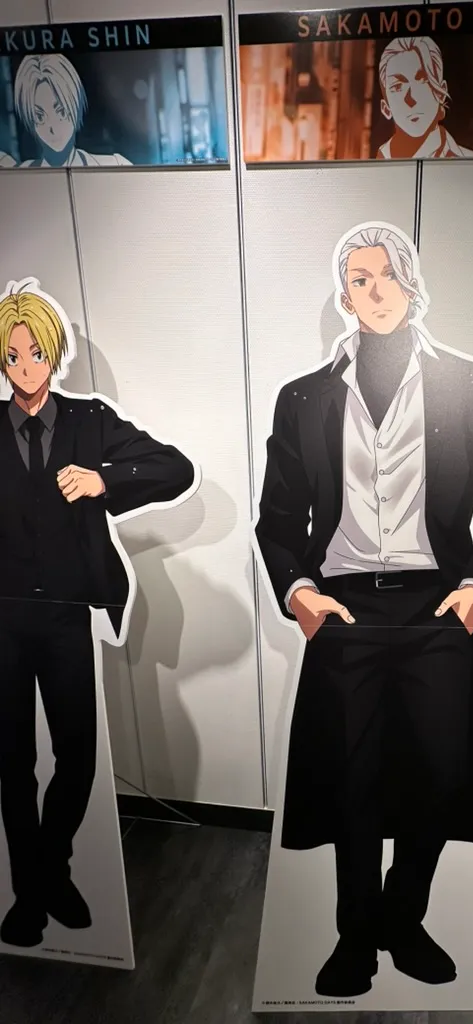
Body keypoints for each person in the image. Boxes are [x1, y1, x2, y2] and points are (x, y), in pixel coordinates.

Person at [255, 222, 473, 997]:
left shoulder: (472, 384)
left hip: (439, 609)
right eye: (359, 278)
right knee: (351, 781)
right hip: (344, 609)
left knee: (434, 777)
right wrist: (301, 594)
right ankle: (355, 935)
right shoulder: (304, 397)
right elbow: (277, 519)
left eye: (387, 274)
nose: (374, 290)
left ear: (412, 282)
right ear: (343, 294)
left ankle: (403, 920)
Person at [0, 282, 194, 948]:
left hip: (65, 620)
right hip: (2, 622)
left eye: (36, 353)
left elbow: (175, 468)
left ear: (55, 354)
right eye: (13, 356)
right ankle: (32, 894)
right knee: (11, 763)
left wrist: (104, 478)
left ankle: (48, 871)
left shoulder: (88, 421)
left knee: (77, 756)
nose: (26, 368)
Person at [13, 54, 131, 167]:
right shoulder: (20, 173)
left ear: (75, 104)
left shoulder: (116, 164)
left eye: (61, 112)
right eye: (40, 117)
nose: (53, 128)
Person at [376, 37, 473, 160]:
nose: (412, 98)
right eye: (398, 87)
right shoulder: (372, 164)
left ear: (441, 93)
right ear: (386, 108)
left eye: (423, 80)